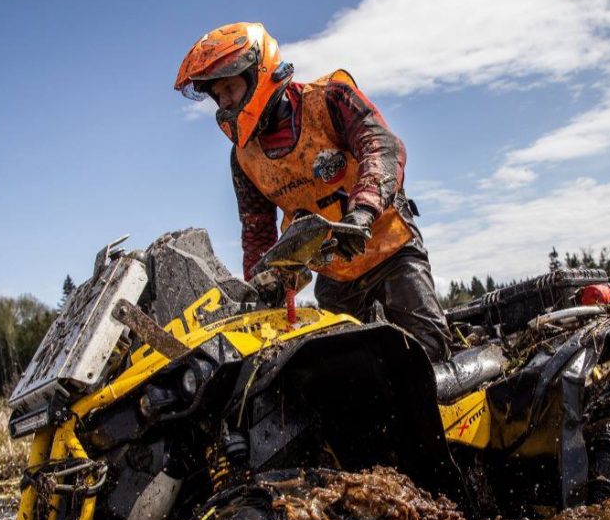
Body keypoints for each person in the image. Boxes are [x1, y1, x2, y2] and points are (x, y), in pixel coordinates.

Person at [175, 22, 452, 361]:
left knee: (429, 354)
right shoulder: (244, 157)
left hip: (389, 249)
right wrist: (261, 285)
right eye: (218, 96)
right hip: (334, 273)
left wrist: (362, 211)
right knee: (349, 371)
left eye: (230, 88)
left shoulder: (330, 99)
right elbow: (256, 230)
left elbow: (381, 146)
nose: (225, 102)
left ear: (259, 73)